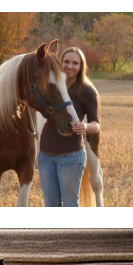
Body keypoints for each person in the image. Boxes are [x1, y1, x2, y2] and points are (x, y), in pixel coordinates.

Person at [38, 47, 100, 207]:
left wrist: (85, 126)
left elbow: (96, 124)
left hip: (71, 156)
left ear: (81, 67)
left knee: (70, 205)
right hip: (45, 156)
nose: (69, 66)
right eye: (66, 61)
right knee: (51, 206)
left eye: (75, 63)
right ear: (60, 63)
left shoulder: (87, 91)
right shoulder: (52, 86)